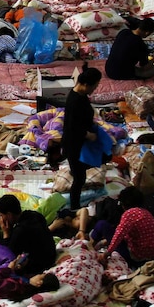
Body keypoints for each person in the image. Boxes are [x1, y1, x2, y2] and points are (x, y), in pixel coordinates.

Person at [62, 64, 103, 209]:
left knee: (83, 168)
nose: (95, 90)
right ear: (85, 84)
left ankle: (76, 170)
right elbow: (73, 128)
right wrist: (88, 134)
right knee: (80, 179)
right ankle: (74, 207)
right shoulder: (75, 101)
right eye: (94, 87)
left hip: (81, 141)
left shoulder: (81, 95)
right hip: (74, 143)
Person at [0, 194, 56, 274]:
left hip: (40, 265)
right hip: (51, 255)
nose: (1, 218)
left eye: (2, 215)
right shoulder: (35, 215)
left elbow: (8, 253)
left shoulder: (20, 230)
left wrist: (6, 233)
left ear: (9, 215)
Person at [98, 187, 154, 267]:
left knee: (102, 224)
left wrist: (107, 253)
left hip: (135, 256)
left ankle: (90, 245)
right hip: (150, 255)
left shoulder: (129, 214)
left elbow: (119, 235)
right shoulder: (146, 213)